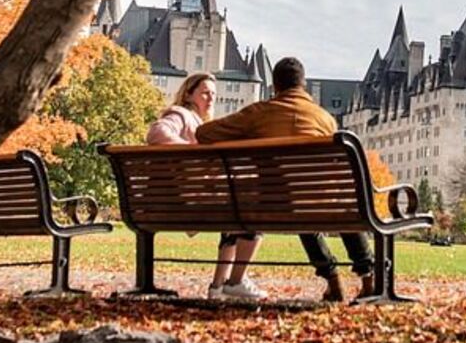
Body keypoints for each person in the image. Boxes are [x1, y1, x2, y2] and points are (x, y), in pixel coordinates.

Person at [196, 57, 375, 302]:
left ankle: (333, 279)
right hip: (322, 204)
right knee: (331, 205)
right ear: (303, 86)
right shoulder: (325, 119)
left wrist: (248, 139)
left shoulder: (259, 114)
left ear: (275, 87)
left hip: (273, 205)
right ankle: (368, 278)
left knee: (295, 201)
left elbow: (204, 133)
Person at [148, 73, 266, 300]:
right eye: (204, 93)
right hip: (182, 203)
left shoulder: (200, 122)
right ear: (189, 94)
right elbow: (157, 132)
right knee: (246, 212)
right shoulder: (181, 113)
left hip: (178, 199)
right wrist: (194, 151)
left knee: (236, 213)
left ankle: (218, 287)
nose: (211, 98)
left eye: (213, 94)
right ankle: (232, 282)